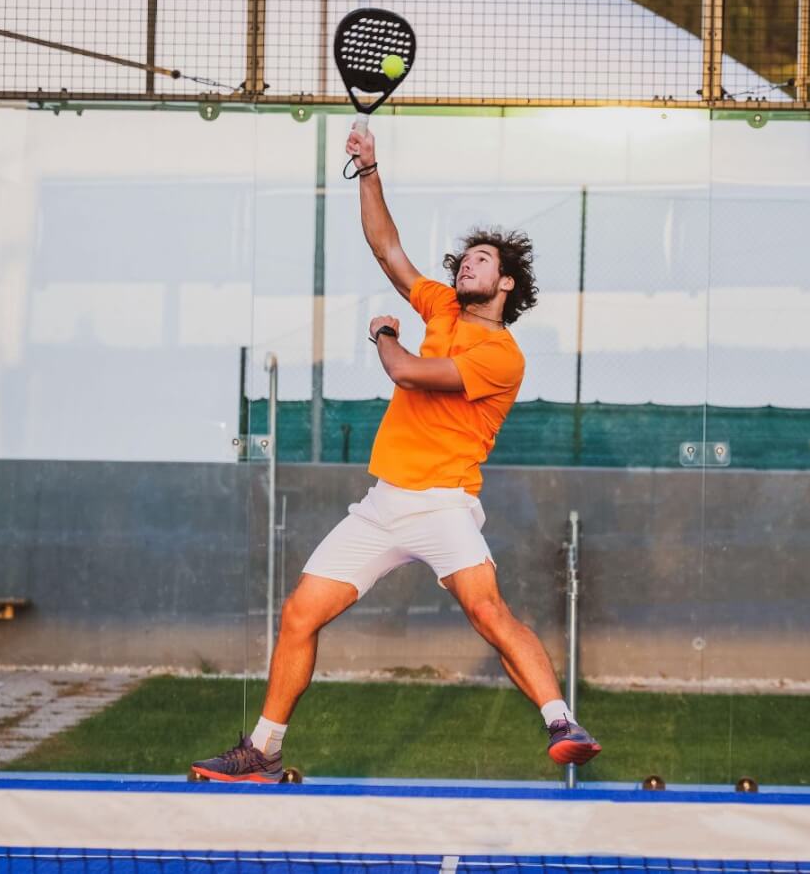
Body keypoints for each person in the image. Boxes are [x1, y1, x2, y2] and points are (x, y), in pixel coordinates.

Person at [190, 126, 600, 783]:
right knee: (301, 612)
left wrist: (384, 332)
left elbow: (408, 373)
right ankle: (263, 749)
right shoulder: (438, 303)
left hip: (443, 502)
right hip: (385, 502)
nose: (467, 264)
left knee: (487, 610)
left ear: (507, 283)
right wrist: (370, 168)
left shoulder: (500, 355)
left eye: (483, 260)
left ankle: (561, 720)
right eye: (465, 258)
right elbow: (387, 248)